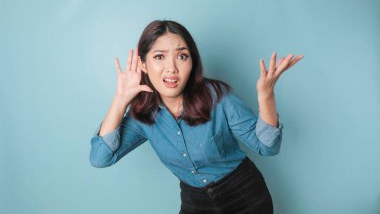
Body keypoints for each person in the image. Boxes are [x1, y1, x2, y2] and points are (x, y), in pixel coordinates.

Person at [89, 20, 303, 214]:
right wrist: (120, 100)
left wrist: (266, 96)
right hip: (195, 201)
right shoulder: (142, 115)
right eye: (159, 57)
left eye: (182, 56)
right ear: (143, 64)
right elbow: (100, 158)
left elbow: (267, 148)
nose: (171, 68)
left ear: (192, 63)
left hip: (244, 195)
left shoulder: (219, 97)